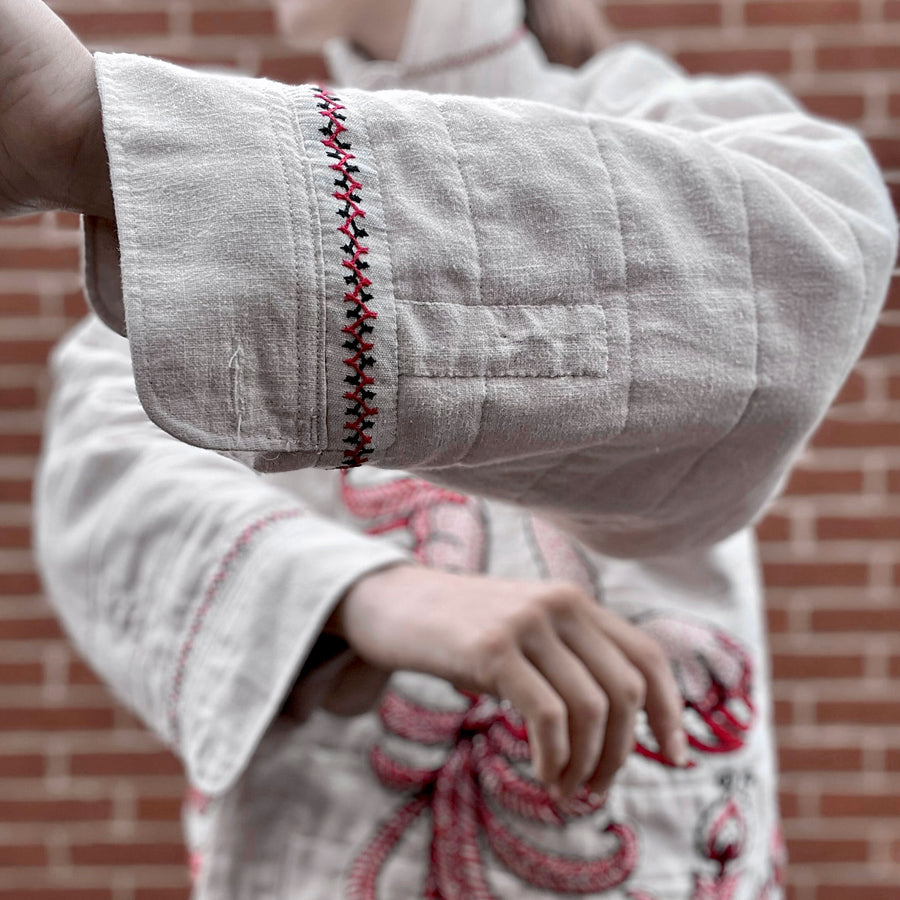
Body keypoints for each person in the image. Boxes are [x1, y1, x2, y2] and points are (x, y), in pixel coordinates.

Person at [11, 0, 894, 896]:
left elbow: (798, 281)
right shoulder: (216, 176)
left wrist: (92, 140)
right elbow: (109, 465)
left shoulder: (678, 123)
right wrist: (366, 594)